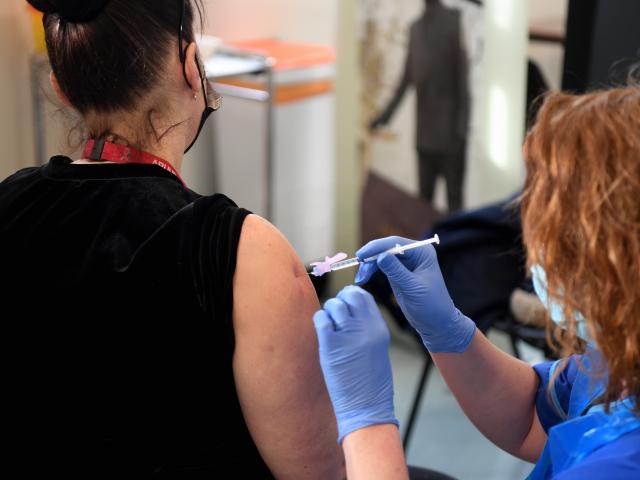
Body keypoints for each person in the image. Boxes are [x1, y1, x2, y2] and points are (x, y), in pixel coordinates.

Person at [1, 1, 344, 477]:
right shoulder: (246, 252)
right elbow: (320, 472)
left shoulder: (10, 203)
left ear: (61, 87)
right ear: (191, 67)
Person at [314, 86, 640, 479]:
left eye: (550, 237)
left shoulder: (617, 467)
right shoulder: (617, 366)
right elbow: (530, 418)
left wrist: (366, 421)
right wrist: (445, 329)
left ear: (613, 264)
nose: (534, 253)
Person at [370, 0, 470, 212]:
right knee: (423, 208)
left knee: (455, 208)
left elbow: (462, 82)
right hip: (425, 137)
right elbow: (405, 81)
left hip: (451, 137)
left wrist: (461, 132)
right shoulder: (415, 29)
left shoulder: (453, 21)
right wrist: (383, 117)